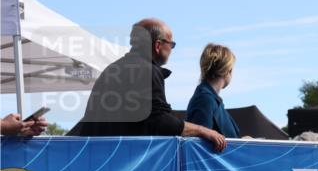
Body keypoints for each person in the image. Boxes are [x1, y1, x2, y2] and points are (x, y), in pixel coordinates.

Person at [69, 19, 226, 152]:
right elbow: (160, 122)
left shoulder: (111, 70)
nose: (171, 49)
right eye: (171, 44)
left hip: (98, 160)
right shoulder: (147, 71)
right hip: (127, 167)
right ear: (158, 46)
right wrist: (203, 131)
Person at [186, 43, 241, 139]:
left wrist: (242, 141)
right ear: (228, 70)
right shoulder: (205, 100)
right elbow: (200, 146)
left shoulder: (209, 99)